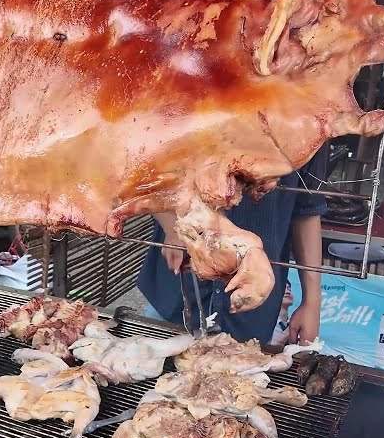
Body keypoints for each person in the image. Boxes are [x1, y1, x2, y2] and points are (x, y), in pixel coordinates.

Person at [136, 146, 329, 345]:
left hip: (253, 311)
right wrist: (172, 226)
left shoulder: (306, 130)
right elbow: (143, 169)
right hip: (175, 290)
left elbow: (307, 210)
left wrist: (312, 303)